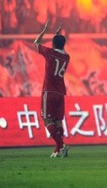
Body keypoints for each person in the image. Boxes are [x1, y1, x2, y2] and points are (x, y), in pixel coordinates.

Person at [34, 21, 70, 158]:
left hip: (49, 91)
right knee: (58, 120)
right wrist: (57, 35)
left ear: (53, 44)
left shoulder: (49, 53)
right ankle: (58, 149)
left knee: (47, 120)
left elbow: (36, 43)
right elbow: (60, 47)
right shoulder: (67, 57)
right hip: (61, 92)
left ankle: (61, 145)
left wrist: (44, 30)